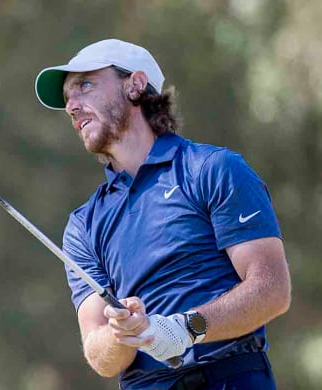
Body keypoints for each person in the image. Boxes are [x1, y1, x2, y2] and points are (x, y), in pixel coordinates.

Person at [34, 39, 291, 389]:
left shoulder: (213, 169)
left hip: (230, 375)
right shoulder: (83, 225)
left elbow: (272, 290)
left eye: (85, 85)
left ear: (135, 85)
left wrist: (186, 329)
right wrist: (121, 331)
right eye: (67, 98)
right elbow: (100, 355)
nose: (72, 107)